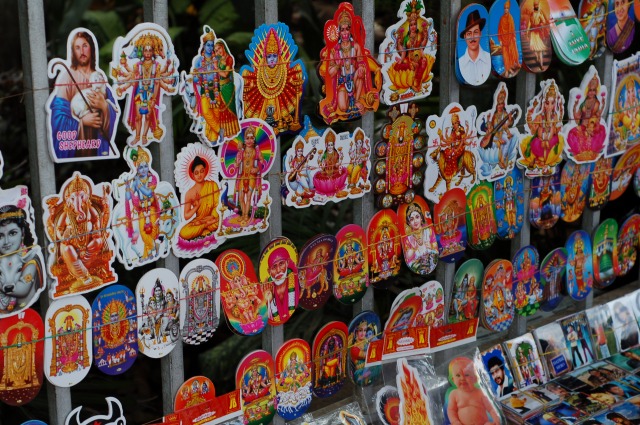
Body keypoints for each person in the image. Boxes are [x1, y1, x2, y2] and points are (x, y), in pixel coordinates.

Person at [49, 30, 118, 159]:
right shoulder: (67, 78)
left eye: (85, 46)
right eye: (77, 47)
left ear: (91, 48)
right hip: (77, 149)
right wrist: (81, 122)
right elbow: (58, 117)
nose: (82, 51)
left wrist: (104, 106)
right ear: (73, 52)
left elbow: (114, 110)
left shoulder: (99, 77)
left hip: (97, 147)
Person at [48, 174, 111, 291]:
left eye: (81, 196)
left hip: (88, 246)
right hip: (70, 244)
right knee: (68, 249)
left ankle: (84, 265)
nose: (78, 201)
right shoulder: (66, 214)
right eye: (73, 198)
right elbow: (58, 229)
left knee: (98, 241)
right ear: (68, 200)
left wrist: (96, 230)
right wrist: (63, 237)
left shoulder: (90, 209)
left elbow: (97, 219)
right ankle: (83, 276)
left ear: (86, 197)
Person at [114, 32, 177, 145]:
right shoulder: (137, 65)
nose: (147, 53)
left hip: (151, 94)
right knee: (138, 116)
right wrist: (123, 69)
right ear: (142, 52)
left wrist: (154, 99)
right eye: (145, 50)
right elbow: (131, 77)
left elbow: (157, 83)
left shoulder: (157, 66)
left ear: (153, 52)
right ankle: (137, 136)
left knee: (148, 116)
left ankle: (144, 136)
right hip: (139, 93)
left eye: (150, 50)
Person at [241, 26, 304, 134]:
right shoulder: (260, 72)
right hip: (262, 105)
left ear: (279, 56)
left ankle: (278, 121)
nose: (272, 59)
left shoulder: (284, 71)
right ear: (265, 57)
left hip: (280, 109)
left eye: (274, 56)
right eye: (269, 56)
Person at [322, 8, 379, 121]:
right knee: (343, 107)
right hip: (342, 83)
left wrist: (361, 67)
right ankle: (348, 101)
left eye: (347, 29)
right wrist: (337, 65)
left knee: (361, 71)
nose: (345, 33)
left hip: (355, 79)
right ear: (339, 32)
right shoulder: (334, 51)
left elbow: (361, 62)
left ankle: (356, 100)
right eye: (342, 30)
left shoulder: (356, 46)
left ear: (350, 31)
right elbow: (330, 73)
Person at [186, 29, 240, 144]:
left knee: (216, 114)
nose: (210, 48)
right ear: (204, 46)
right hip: (205, 90)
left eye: (211, 45)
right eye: (208, 45)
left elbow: (224, 73)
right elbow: (195, 79)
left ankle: (213, 139)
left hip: (217, 90)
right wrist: (197, 75)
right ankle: (220, 130)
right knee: (206, 111)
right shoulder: (199, 61)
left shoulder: (217, 59)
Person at [0, 206, 43, 315]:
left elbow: (22, 289)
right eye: (0, 236)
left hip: (27, 313)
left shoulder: (30, 259)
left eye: (12, 233)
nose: (6, 241)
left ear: (23, 233)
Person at [124, 148, 161, 261]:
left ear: (148, 166)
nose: (143, 169)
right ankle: (153, 247)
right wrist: (127, 186)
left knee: (153, 231)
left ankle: (148, 253)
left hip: (152, 208)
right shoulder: (135, 181)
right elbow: (128, 197)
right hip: (141, 210)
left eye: (145, 166)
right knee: (143, 232)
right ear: (137, 169)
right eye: (141, 167)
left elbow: (149, 193)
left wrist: (138, 184)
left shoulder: (152, 178)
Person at [447, 357, 501, 425]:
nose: (462, 378)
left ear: (475, 379)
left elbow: (491, 409)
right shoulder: (454, 394)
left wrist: (496, 419)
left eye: (466, 375)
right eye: (458, 375)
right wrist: (455, 421)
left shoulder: (480, 393)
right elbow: (451, 410)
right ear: (453, 379)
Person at [179, 155, 220, 241]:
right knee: (183, 232)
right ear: (192, 175)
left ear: (205, 171)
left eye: (202, 171)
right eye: (196, 173)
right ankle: (205, 226)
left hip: (212, 218)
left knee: (220, 221)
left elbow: (217, 204)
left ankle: (203, 228)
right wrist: (196, 207)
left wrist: (212, 217)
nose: (199, 175)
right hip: (199, 221)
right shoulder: (189, 193)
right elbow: (186, 216)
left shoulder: (213, 185)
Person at [234, 126, 266, 226]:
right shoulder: (241, 151)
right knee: (240, 197)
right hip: (243, 176)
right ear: (244, 139)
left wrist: (257, 169)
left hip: (252, 177)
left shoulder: (257, 151)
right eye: (247, 138)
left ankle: (246, 216)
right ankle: (243, 214)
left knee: (248, 197)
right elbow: (235, 164)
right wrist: (237, 163)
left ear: (254, 139)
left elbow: (262, 162)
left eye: (251, 138)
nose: (249, 140)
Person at [264, 247, 298, 325]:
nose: (278, 270)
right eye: (274, 267)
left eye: (281, 264)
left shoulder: (296, 279)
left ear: (287, 263)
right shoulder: (266, 288)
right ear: (269, 271)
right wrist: (268, 301)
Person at [402, 202, 438, 274]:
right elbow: (408, 257)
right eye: (412, 219)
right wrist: (413, 249)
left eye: (417, 217)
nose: (415, 221)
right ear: (409, 223)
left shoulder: (428, 230)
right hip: (417, 265)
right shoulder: (408, 238)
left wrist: (431, 245)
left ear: (421, 218)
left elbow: (435, 244)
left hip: (430, 259)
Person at [458, 10, 491, 86]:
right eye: (469, 34)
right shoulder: (461, 62)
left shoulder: (488, 57)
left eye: (475, 32)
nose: (472, 37)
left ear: (480, 34)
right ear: (465, 36)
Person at [287, 140, 316, 206]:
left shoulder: (304, 158)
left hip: (305, 176)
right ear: (296, 151)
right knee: (302, 179)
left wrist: (310, 166)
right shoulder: (294, 160)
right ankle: (306, 192)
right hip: (298, 177)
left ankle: (304, 196)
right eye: (298, 151)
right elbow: (292, 167)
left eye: (301, 151)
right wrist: (292, 167)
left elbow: (306, 166)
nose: (300, 153)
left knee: (307, 181)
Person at [496, 1, 520, 77]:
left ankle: (510, 68)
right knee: (505, 55)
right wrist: (500, 39)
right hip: (503, 40)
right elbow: (499, 30)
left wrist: (514, 37)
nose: (506, 9)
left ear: (509, 9)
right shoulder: (501, 18)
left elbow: (513, 29)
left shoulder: (510, 18)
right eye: (505, 8)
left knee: (512, 53)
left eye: (507, 8)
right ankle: (507, 69)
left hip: (510, 39)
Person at [526, 0, 550, 70]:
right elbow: (529, 24)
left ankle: (541, 64)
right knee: (534, 48)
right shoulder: (531, 14)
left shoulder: (539, 14)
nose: (536, 6)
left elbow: (544, 21)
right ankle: (537, 58)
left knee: (540, 49)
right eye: (535, 5)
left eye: (537, 5)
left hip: (538, 33)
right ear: (534, 6)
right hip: (533, 33)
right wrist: (527, 33)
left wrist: (541, 24)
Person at [346, 129, 369, 195]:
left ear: (362, 143)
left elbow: (366, 155)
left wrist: (362, 156)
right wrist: (350, 147)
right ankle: (349, 182)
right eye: (357, 143)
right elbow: (351, 156)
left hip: (360, 165)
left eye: (360, 143)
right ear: (355, 143)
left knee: (355, 170)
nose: (358, 144)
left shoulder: (363, 150)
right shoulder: (355, 150)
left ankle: (353, 184)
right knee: (348, 168)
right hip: (354, 163)